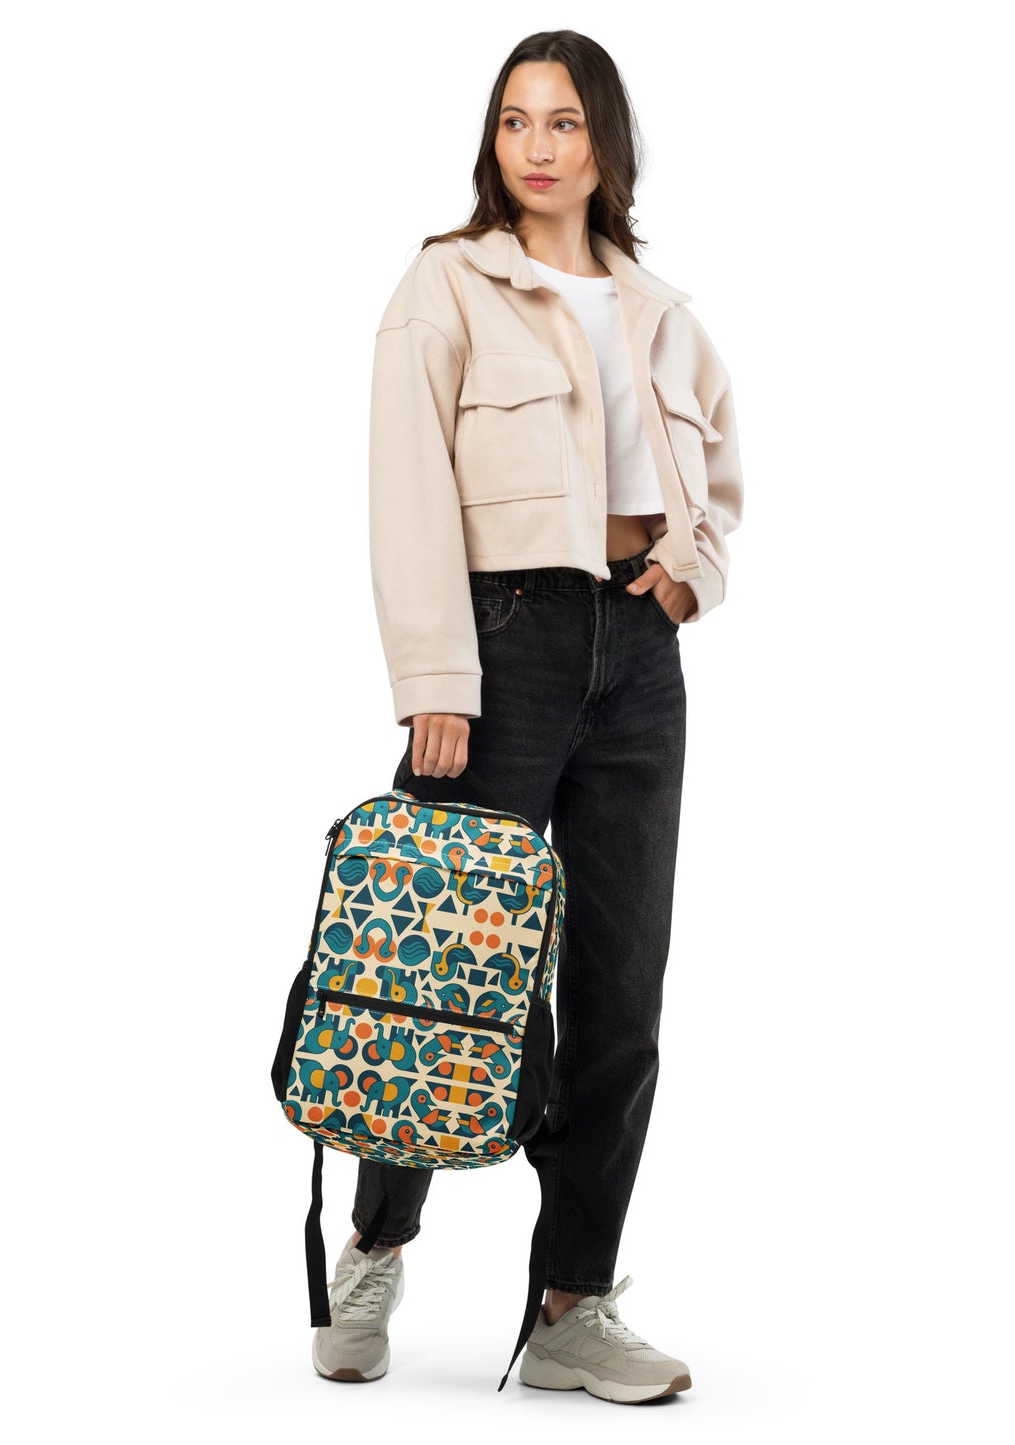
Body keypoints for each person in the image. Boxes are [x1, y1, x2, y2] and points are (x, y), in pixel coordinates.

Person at [311, 30, 743, 1404]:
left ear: (605, 142)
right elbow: (403, 482)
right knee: (447, 968)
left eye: (563, 121)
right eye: (513, 122)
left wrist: (688, 577)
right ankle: (376, 1243)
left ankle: (572, 1300)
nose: (538, 146)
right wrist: (433, 674)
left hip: (637, 652)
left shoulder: (659, 306)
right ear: (491, 144)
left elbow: (717, 466)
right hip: (501, 646)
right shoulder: (448, 282)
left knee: (619, 990)